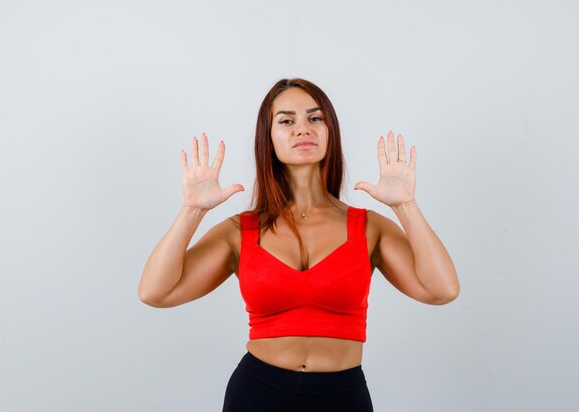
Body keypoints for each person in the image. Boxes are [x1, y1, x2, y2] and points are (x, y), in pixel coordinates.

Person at [138, 78, 460, 412]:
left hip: (341, 396)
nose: (302, 129)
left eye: (315, 118)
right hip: (256, 393)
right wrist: (192, 210)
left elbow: (442, 290)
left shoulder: (369, 227)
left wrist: (405, 205)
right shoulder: (240, 231)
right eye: (287, 120)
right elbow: (155, 292)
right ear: (269, 138)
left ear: (329, 132)